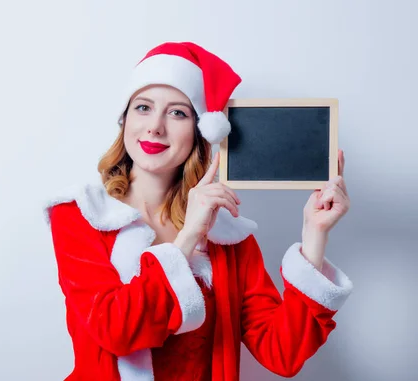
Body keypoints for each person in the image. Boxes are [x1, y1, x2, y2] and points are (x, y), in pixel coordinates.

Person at [43, 41, 353, 381]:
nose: (155, 127)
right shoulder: (82, 216)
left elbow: (281, 352)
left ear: (200, 131)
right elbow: (115, 330)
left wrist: (314, 235)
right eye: (143, 107)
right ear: (125, 118)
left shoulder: (226, 234)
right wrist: (187, 237)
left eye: (177, 112)